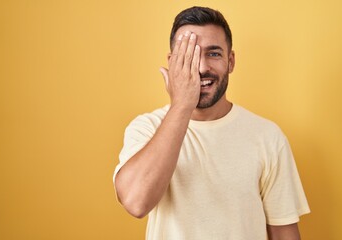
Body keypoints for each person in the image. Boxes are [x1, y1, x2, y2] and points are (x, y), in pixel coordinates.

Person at [113, 6, 310, 240]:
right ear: (172, 62)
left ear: (231, 61)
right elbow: (136, 203)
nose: (202, 67)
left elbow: (284, 233)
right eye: (189, 55)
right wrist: (181, 105)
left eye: (213, 53)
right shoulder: (146, 128)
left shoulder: (267, 136)